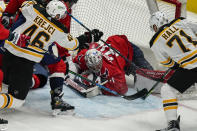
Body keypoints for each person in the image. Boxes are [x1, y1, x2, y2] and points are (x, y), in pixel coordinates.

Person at [0, 0, 103, 116]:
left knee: (58, 64)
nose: (70, 7)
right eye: (71, 3)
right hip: (24, 55)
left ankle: (56, 100)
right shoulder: (59, 26)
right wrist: (87, 37)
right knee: (17, 99)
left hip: (12, 44)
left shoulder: (33, 7)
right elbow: (71, 42)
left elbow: (23, 3)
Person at [149, 11, 197, 131]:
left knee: (167, 90)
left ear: (155, 26)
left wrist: (177, 65)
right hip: (192, 67)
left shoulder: (155, 42)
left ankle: (173, 124)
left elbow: (167, 63)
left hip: (190, 69)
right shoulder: (180, 21)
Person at [72, 35, 153, 96]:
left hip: (130, 51)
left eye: (98, 65)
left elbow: (122, 89)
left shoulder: (111, 68)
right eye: (93, 67)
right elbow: (74, 62)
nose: (96, 68)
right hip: (115, 45)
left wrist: (102, 86)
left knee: (148, 78)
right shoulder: (84, 57)